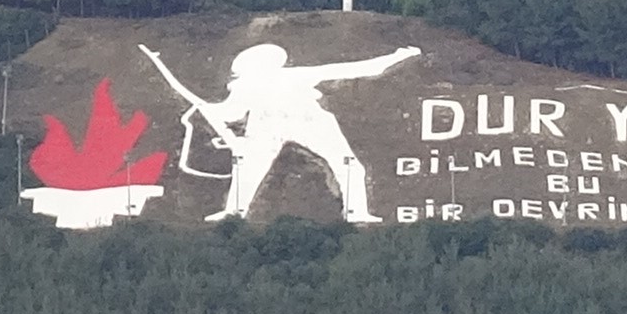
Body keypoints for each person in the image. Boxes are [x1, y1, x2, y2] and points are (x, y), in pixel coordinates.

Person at [138, 39, 420, 222]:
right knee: (248, 168)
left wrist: (394, 58)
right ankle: (233, 212)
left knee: (348, 165)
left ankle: (357, 212)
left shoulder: (291, 76)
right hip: (267, 123)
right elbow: (231, 113)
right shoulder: (246, 86)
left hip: (309, 120)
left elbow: (353, 69)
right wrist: (209, 110)